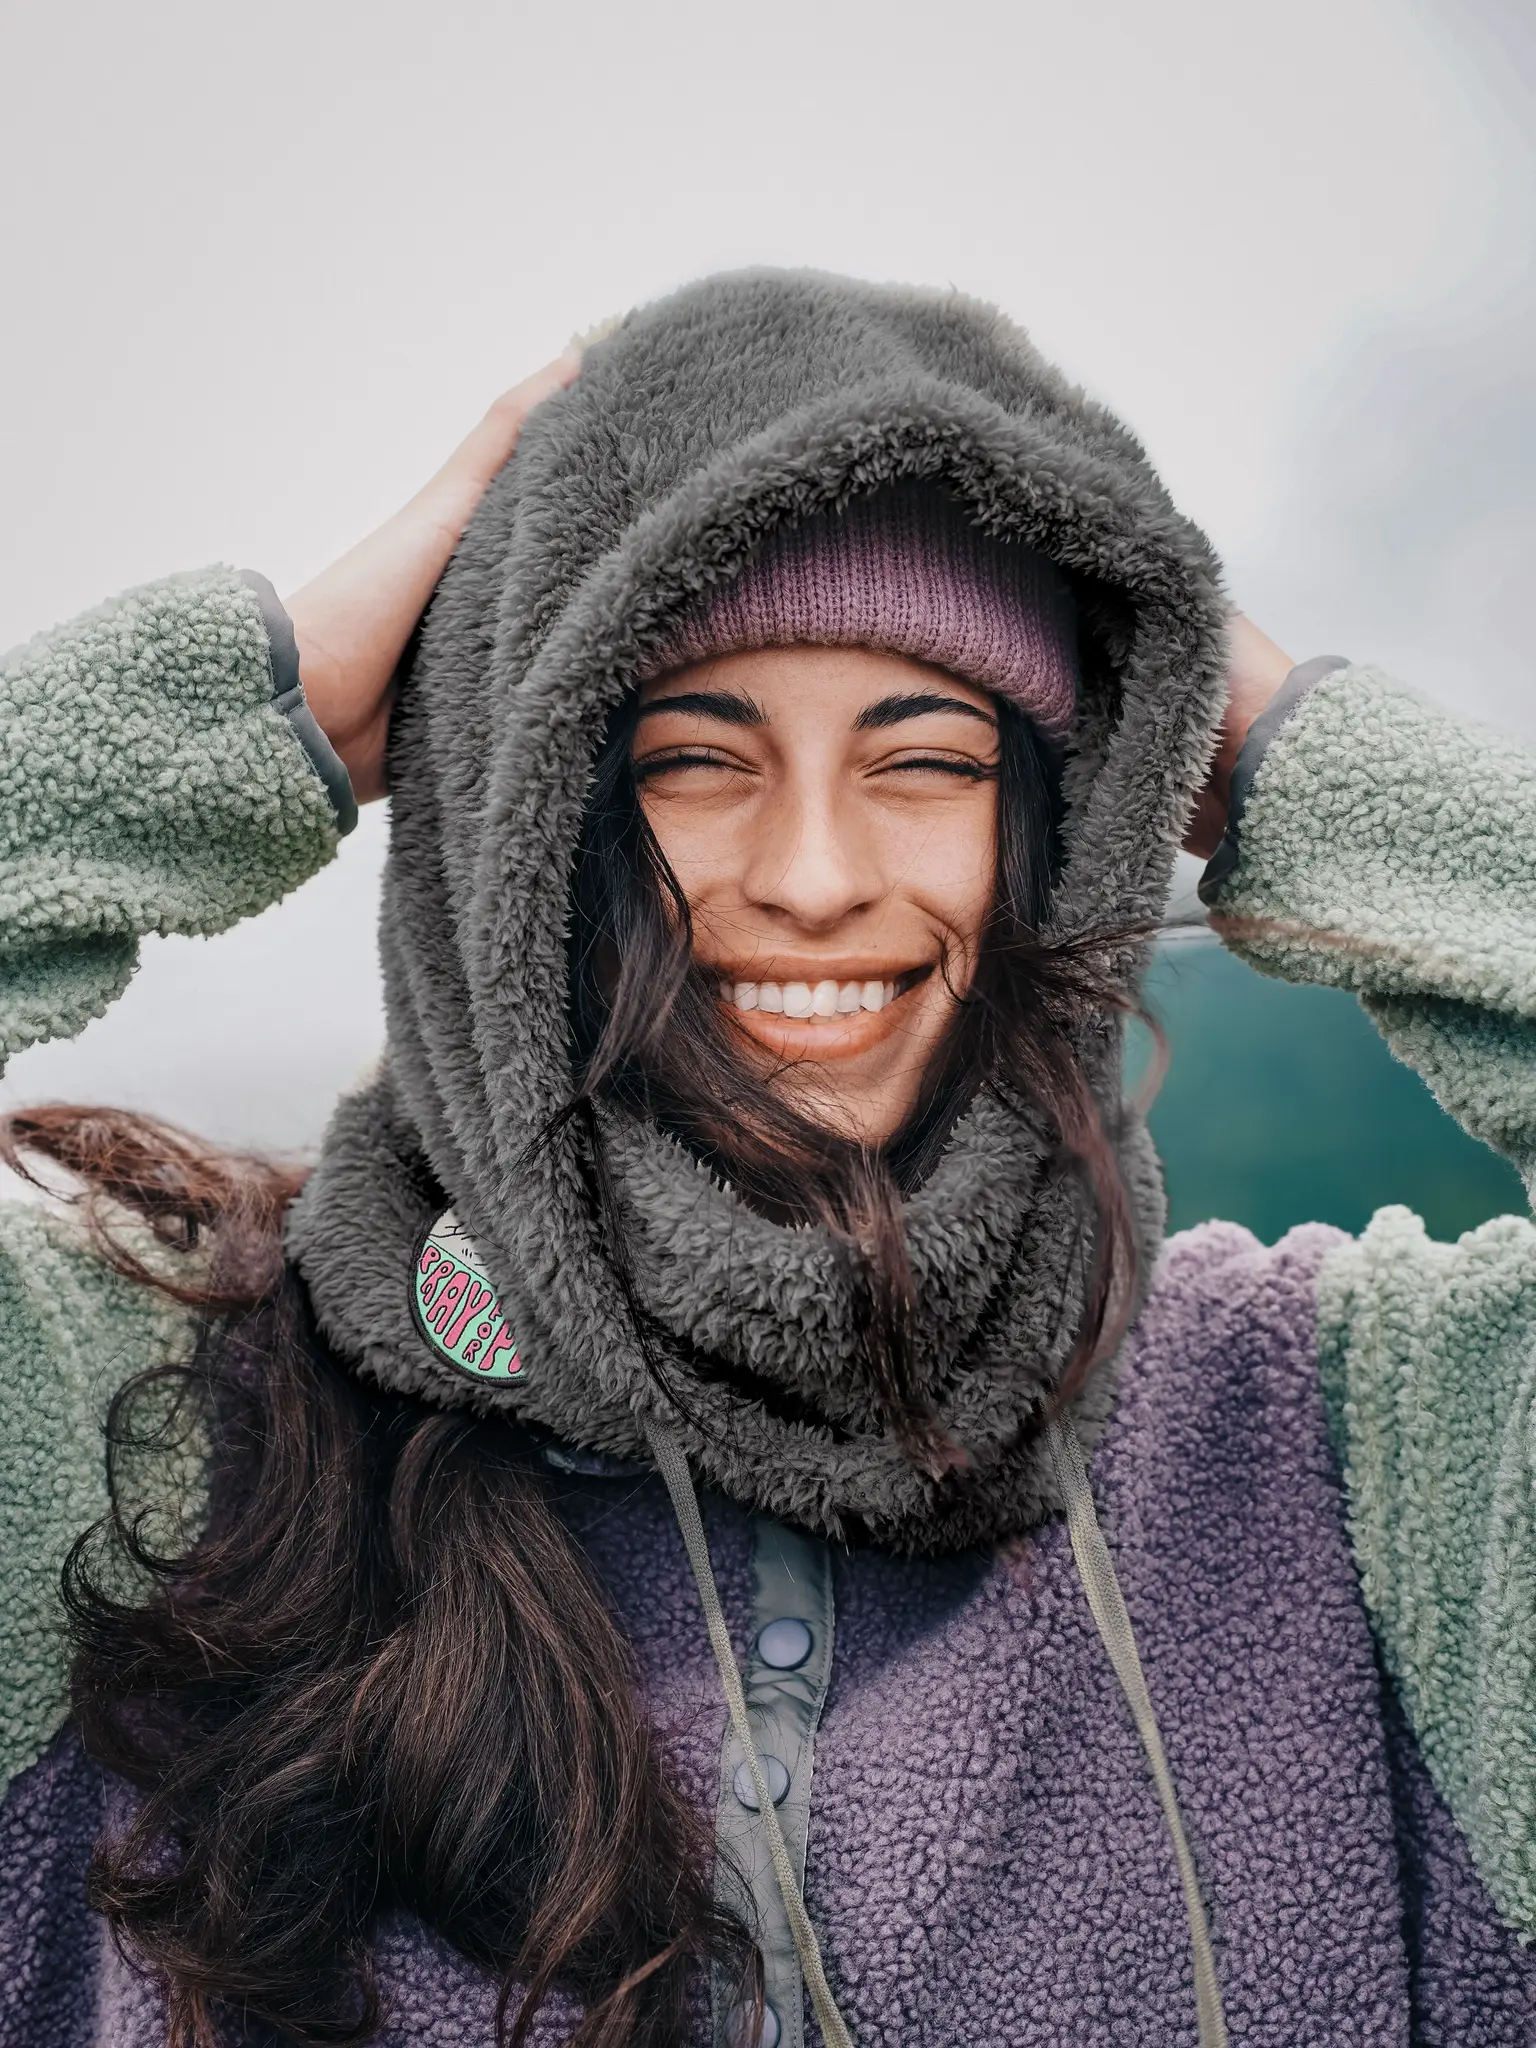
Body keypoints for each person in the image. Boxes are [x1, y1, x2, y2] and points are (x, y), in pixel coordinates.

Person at [0, 270, 1531, 2048]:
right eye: (692, 760)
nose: (813, 872)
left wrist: (1294, 763)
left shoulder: (1367, 1447)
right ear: (533, 828)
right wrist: (247, 718)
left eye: (929, 757)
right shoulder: (136, 1429)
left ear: (1064, 834)